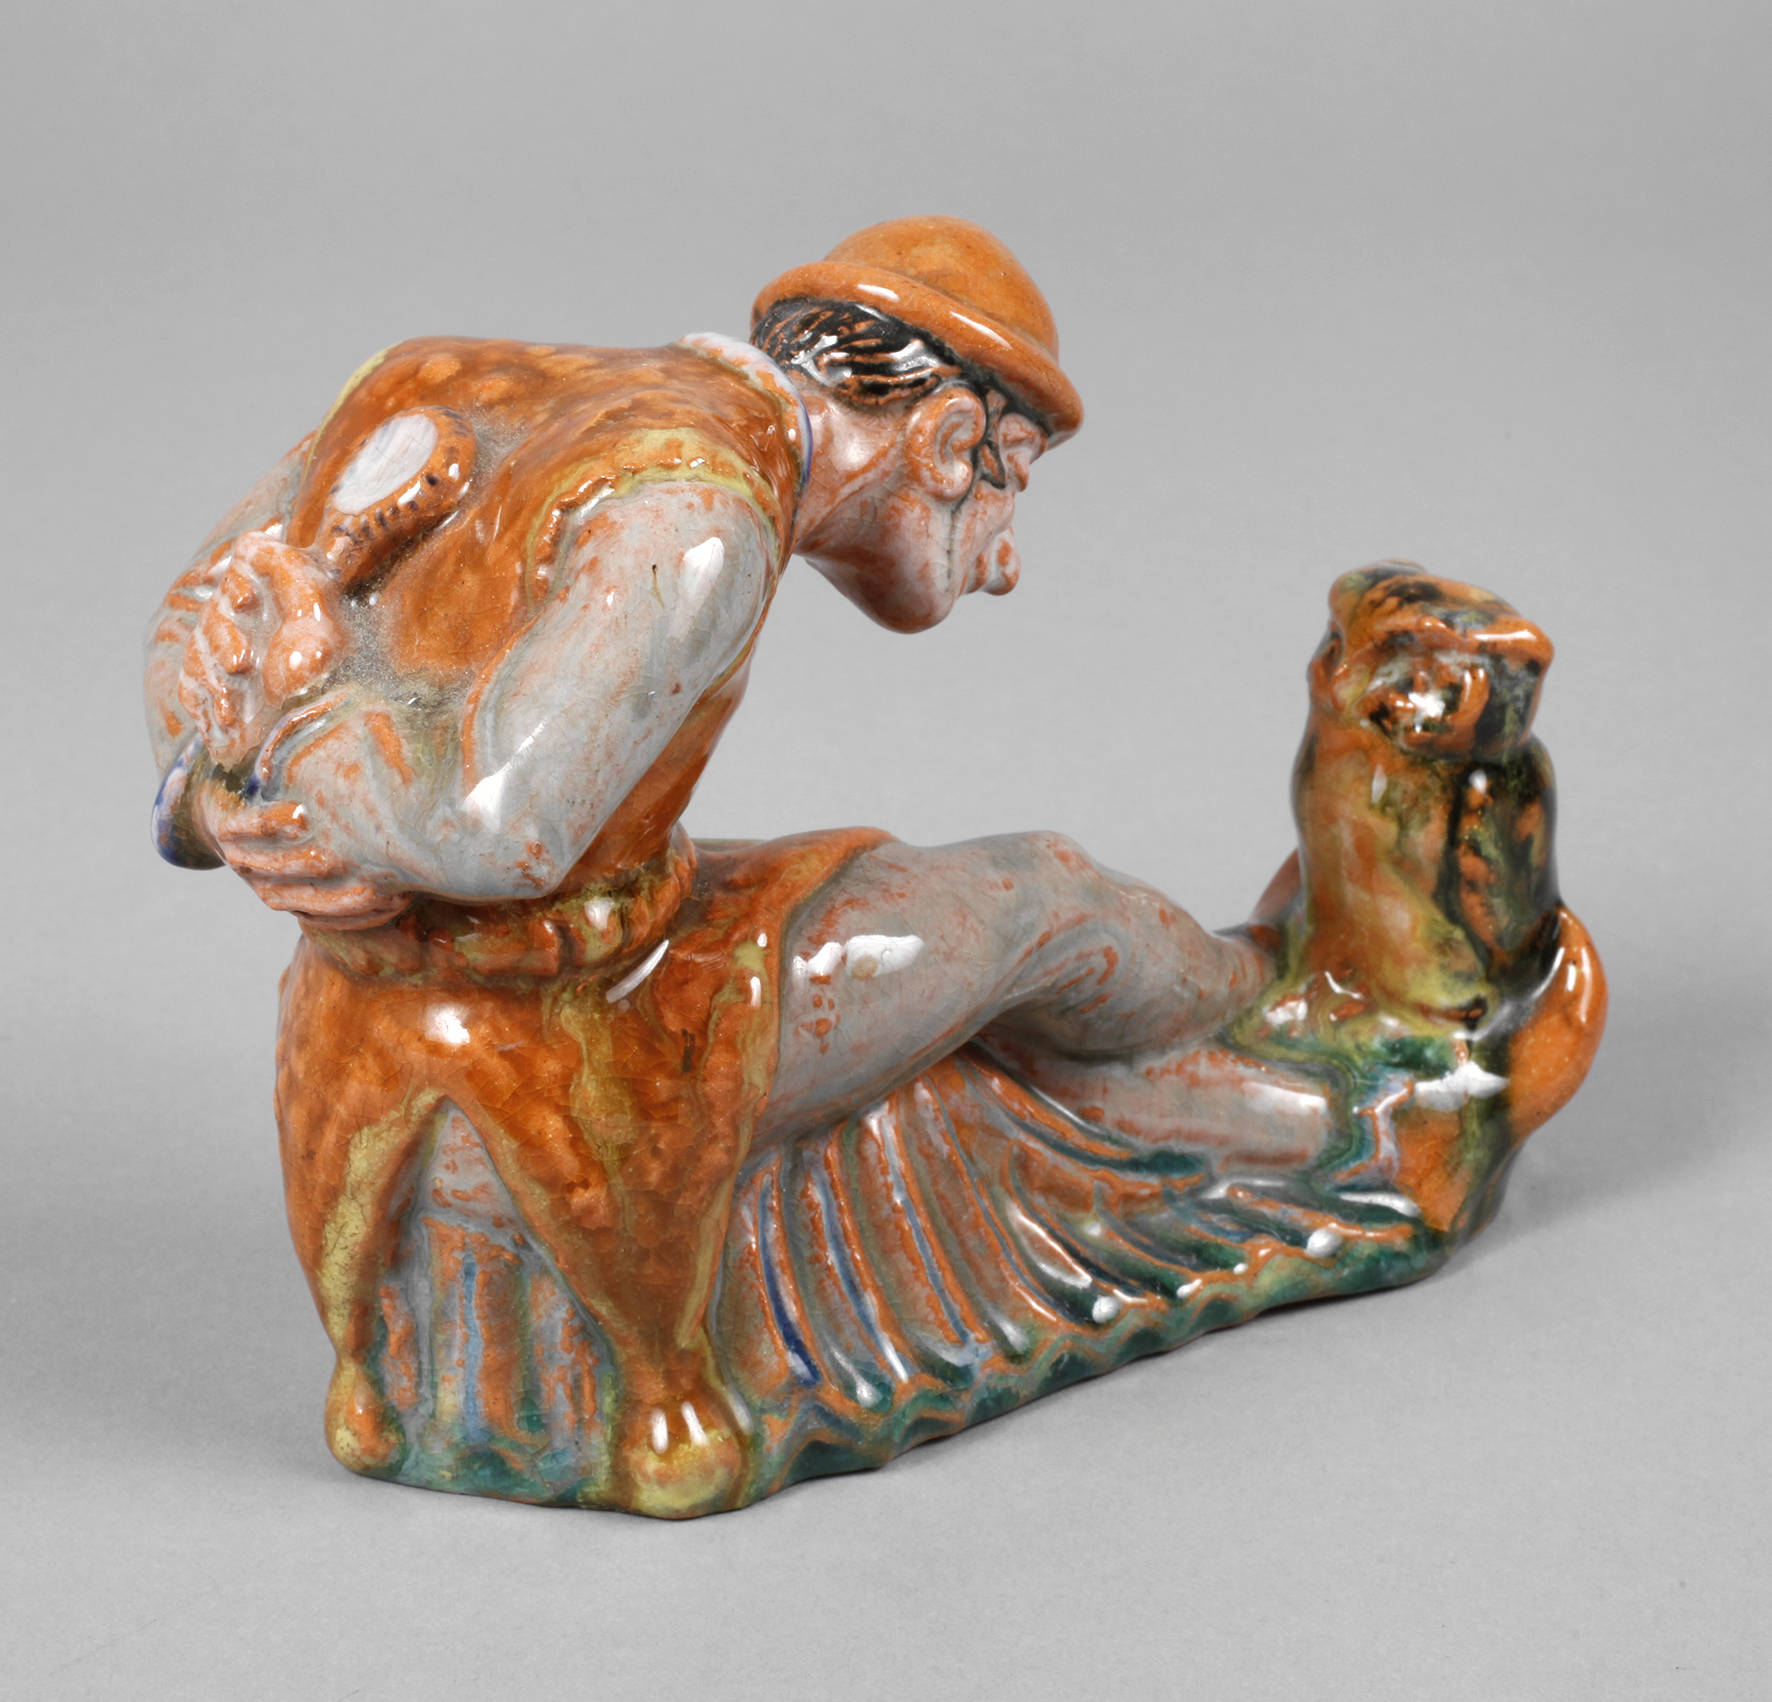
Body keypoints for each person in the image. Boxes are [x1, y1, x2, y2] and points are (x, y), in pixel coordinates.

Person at [146, 217, 1267, 1514]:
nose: (1003, 559)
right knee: (1048, 899)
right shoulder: (702, 511)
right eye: (1010, 483)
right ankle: (1268, 1019)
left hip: (354, 1003)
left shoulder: (442, 380)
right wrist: (315, 772)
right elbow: (503, 827)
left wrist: (225, 799)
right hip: (596, 1021)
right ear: (949, 438)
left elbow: (194, 632)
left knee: (950, 892)